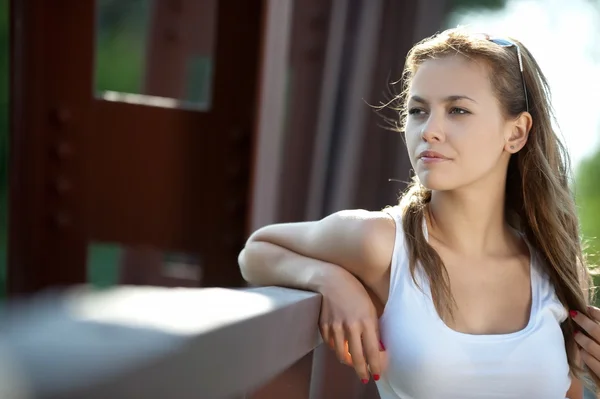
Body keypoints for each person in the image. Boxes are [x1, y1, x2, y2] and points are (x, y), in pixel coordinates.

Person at [238, 27, 598, 398]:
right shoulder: (380, 242)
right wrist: (329, 280)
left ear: (517, 133)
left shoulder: (555, 266)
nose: (430, 131)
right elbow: (256, 250)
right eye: (418, 111)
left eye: (457, 110)